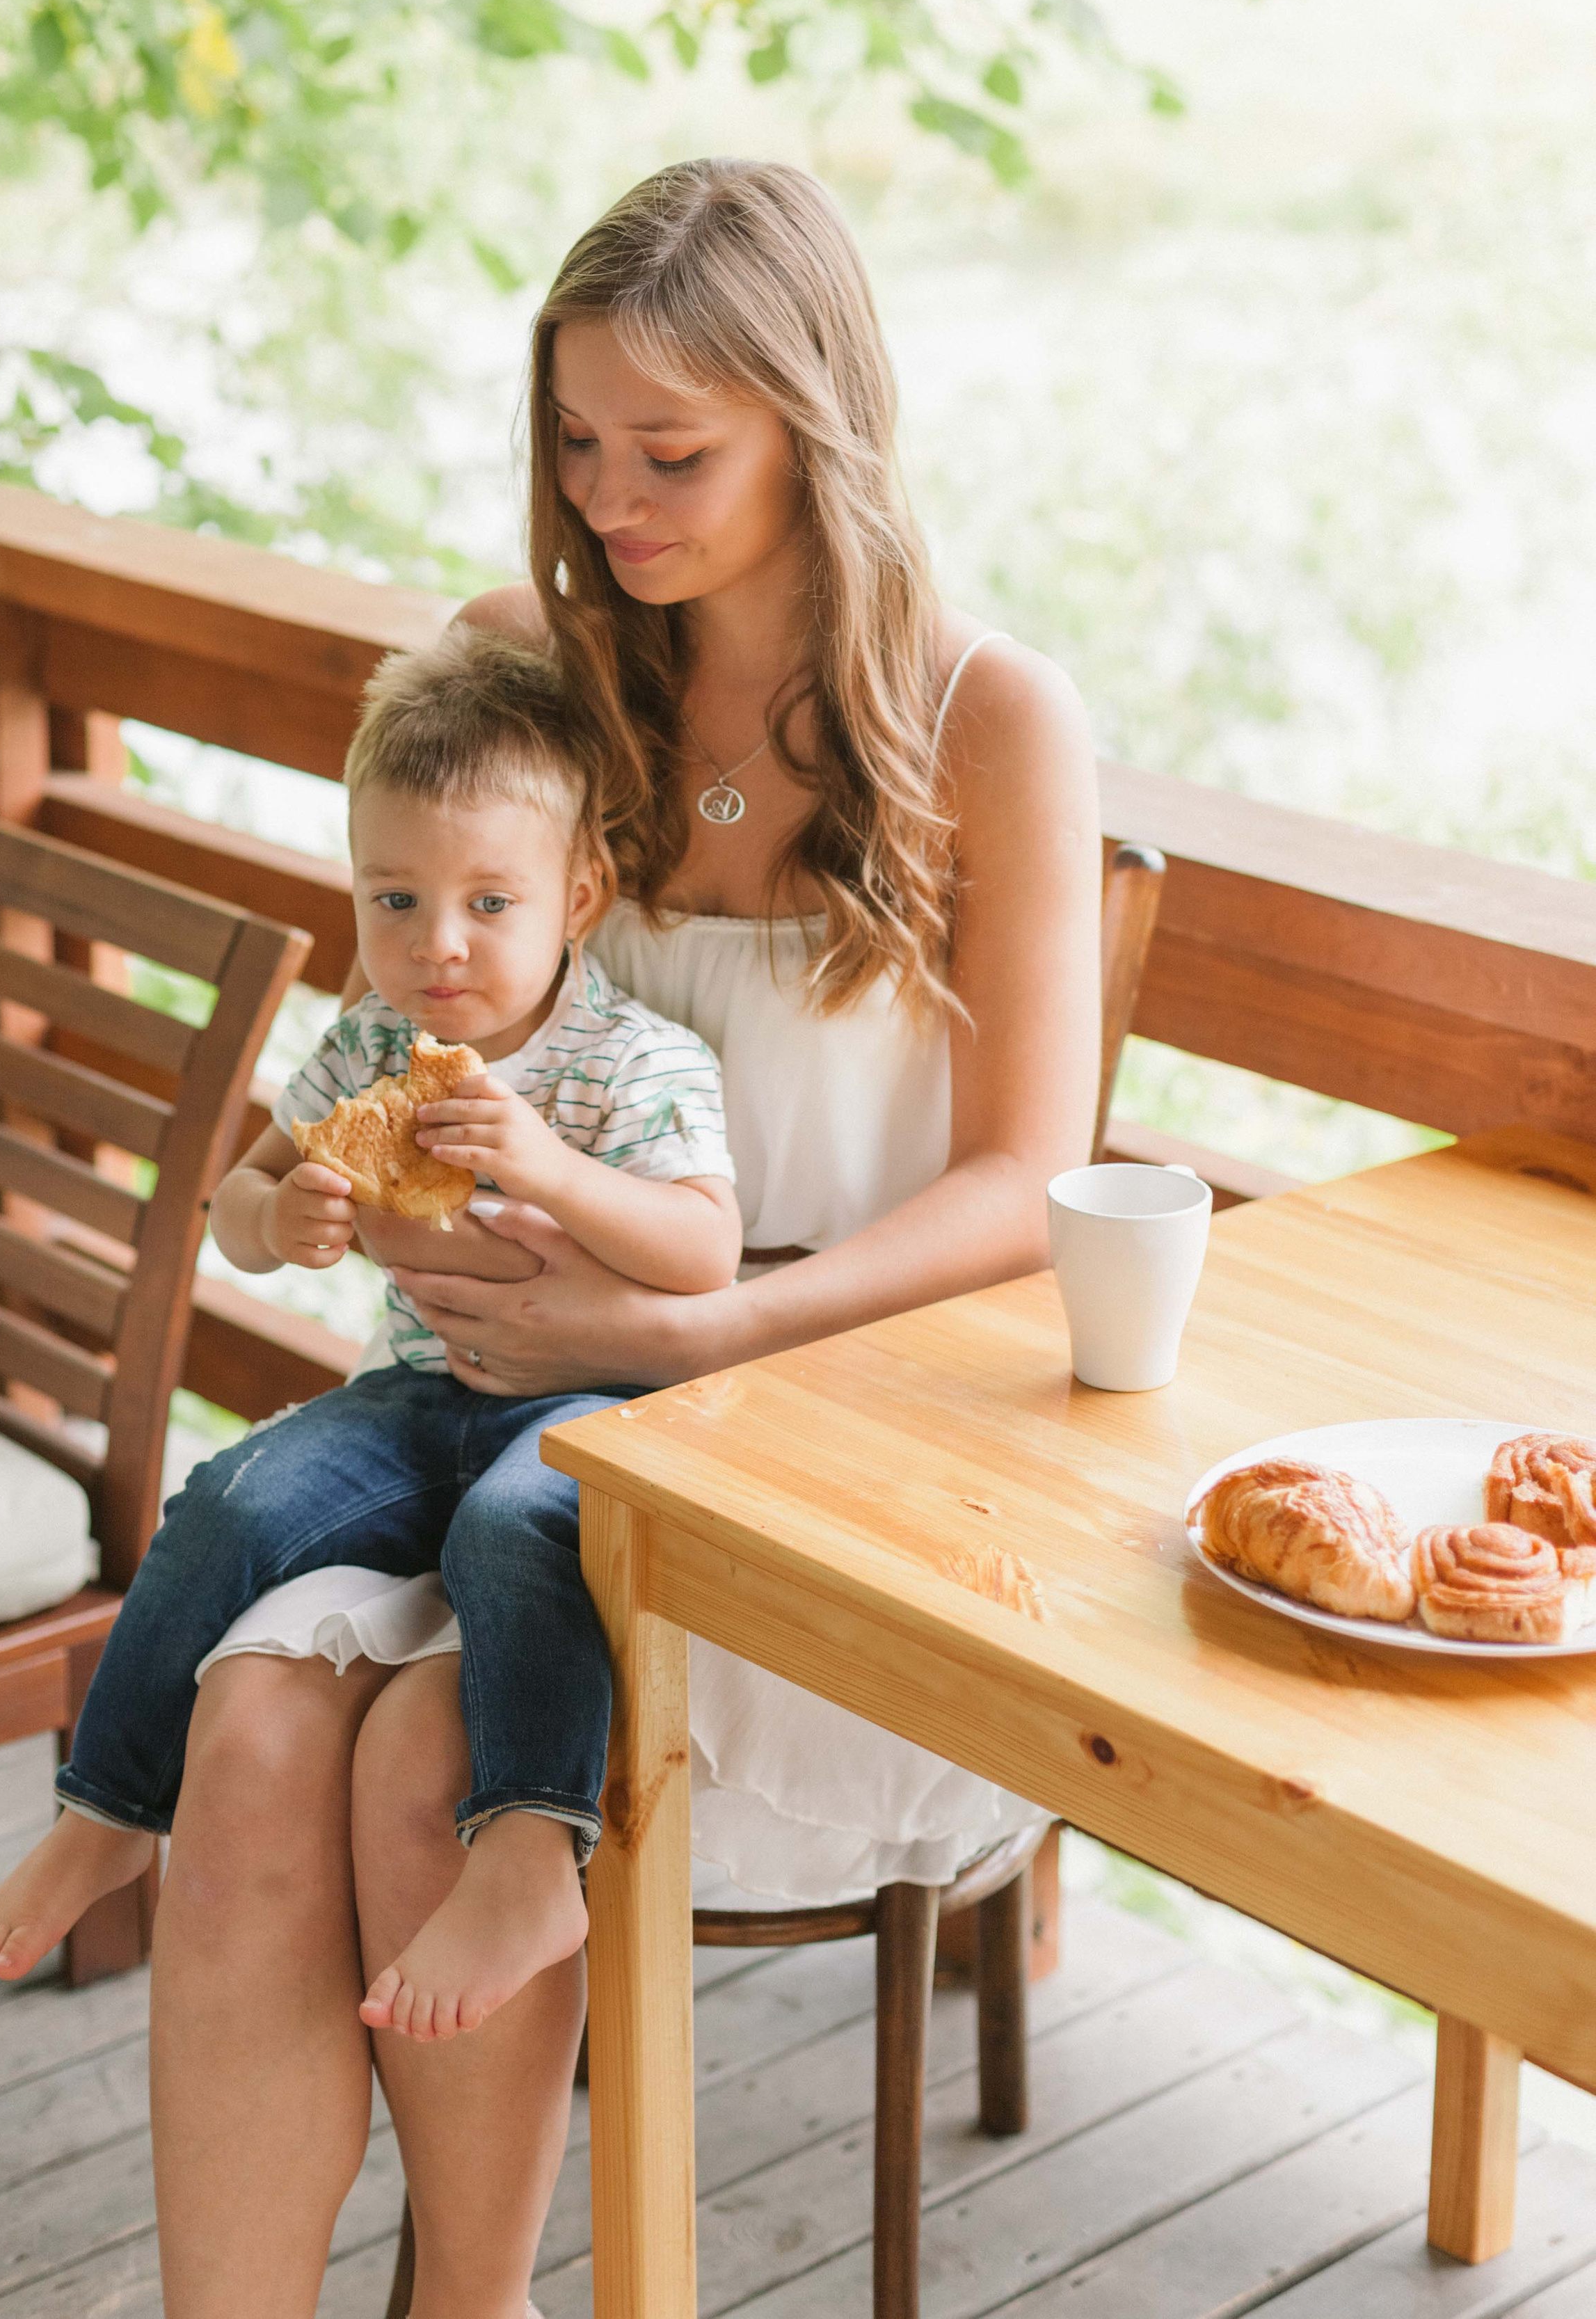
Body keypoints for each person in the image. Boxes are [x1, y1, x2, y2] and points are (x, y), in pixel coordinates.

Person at [139, 157, 1101, 2319]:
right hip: (494, 1425)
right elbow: (382, 1049)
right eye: (576, 443)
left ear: (816, 429)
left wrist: (689, 1344)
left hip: (823, 1477)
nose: (609, 504)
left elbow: (1029, 1185)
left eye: (674, 453)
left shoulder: (983, 723)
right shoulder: (517, 677)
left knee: (418, 1742)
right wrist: (323, 1200)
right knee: (253, 1731)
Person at [0, 626, 740, 2037]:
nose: (434, 947)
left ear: (579, 894)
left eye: (487, 903)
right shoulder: (370, 1045)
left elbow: (705, 1251)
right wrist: (287, 1223)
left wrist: (549, 1167)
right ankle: (109, 1808)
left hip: (586, 1408)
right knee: (231, 1496)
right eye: (394, 898)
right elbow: (239, 1196)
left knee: (516, 1527)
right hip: (413, 1392)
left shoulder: (635, 1060)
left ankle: (523, 1852)